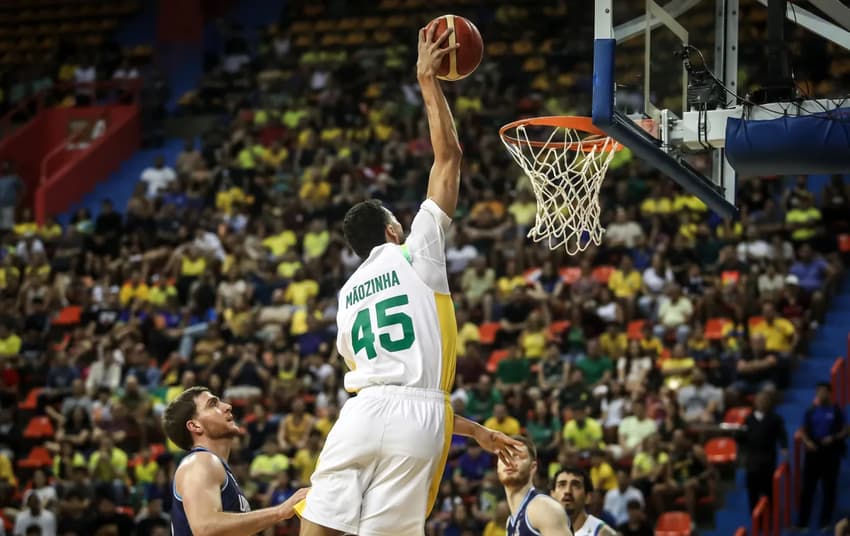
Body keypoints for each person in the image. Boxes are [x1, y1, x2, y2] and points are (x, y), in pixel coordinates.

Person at [297, 24, 522, 536]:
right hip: (418, 420)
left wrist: (477, 432)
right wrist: (428, 81)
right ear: (393, 228)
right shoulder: (415, 247)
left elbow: (382, 380)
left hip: (358, 414)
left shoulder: (347, 294)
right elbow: (449, 158)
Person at [162, 386, 308, 535]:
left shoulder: (216, 468)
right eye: (213, 404)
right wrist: (280, 512)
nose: (227, 406)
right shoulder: (200, 461)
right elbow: (206, 528)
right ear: (195, 425)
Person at [797, 382, 848, 531]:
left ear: (830, 393)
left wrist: (833, 438)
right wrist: (807, 442)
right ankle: (802, 522)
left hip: (831, 453)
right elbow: (803, 430)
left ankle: (825, 522)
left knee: (829, 489)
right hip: (813, 453)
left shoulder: (837, 411)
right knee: (808, 489)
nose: (820, 394)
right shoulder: (811, 411)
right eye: (818, 391)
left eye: (823, 391)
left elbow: (846, 430)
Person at [496, 436, 573, 535]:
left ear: (532, 468)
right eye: (505, 456)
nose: (509, 461)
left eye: (518, 456)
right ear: (497, 467)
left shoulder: (544, 508)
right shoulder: (510, 522)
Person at [741, 390, 787, 511]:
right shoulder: (749, 418)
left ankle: (770, 516)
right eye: (759, 400)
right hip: (752, 458)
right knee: (752, 490)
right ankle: (755, 516)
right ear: (755, 402)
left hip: (768, 457)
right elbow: (743, 437)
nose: (762, 402)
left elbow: (782, 435)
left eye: (764, 400)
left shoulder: (776, 419)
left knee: (768, 489)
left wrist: (784, 447)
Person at [551, 466, 616, 536]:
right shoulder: (543, 529)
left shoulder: (603, 533)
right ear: (552, 495)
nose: (568, 491)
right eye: (562, 485)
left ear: (588, 497)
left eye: (576, 485)